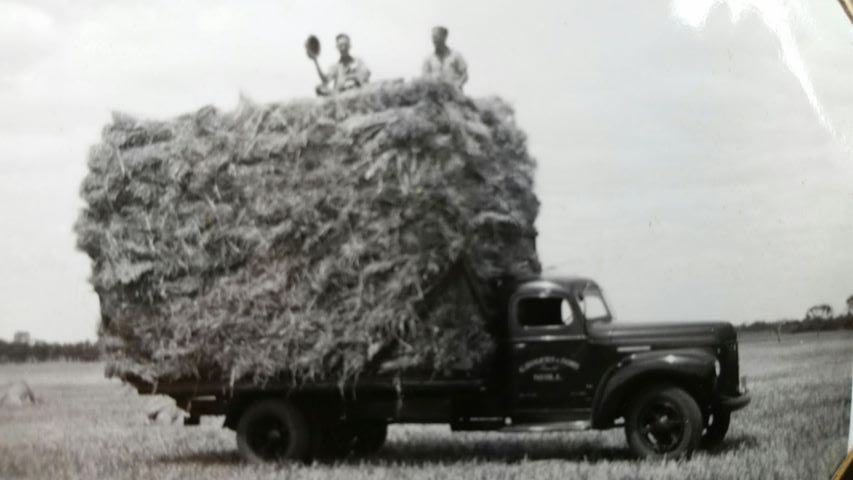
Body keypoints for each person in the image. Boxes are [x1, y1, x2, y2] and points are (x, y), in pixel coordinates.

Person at [422, 26, 468, 90]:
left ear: (444, 37)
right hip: (434, 95)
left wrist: (458, 84)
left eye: (436, 37)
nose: (434, 40)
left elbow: (464, 75)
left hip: (453, 95)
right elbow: (424, 77)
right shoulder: (428, 58)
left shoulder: (456, 55)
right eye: (433, 37)